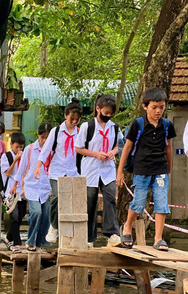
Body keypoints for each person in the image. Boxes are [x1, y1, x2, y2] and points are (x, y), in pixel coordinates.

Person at [117, 88, 176, 251]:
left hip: (161, 170)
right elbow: (127, 147)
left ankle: (158, 238)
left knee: (162, 203)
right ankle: (127, 226)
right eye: (154, 107)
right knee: (138, 201)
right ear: (145, 106)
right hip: (141, 169)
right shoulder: (138, 124)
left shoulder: (167, 125)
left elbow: (169, 148)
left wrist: (169, 168)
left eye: (161, 107)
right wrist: (120, 171)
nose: (158, 111)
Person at [76, 94, 123, 247]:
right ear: (98, 109)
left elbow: (119, 145)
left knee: (110, 197)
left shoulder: (114, 128)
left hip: (107, 169)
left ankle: (112, 233)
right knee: (90, 202)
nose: (108, 116)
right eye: (106, 112)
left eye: (111, 114)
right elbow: (78, 148)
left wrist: (113, 152)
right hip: (90, 168)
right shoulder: (87, 127)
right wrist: (95, 154)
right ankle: (89, 237)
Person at [34, 98, 82, 244]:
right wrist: (38, 165)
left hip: (73, 171)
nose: (74, 122)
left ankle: (71, 234)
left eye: (77, 119)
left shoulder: (80, 133)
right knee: (56, 197)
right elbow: (46, 149)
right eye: (72, 118)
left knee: (72, 203)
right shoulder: (56, 132)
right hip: (57, 171)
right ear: (65, 115)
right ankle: (53, 227)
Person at [11, 123, 52, 251]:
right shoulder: (29, 149)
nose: (44, 140)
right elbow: (21, 169)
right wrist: (14, 185)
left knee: (46, 215)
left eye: (47, 137)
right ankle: (30, 241)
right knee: (36, 212)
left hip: (46, 188)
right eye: (42, 137)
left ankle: (39, 243)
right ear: (38, 135)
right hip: (32, 186)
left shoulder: (52, 150)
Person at [1, 132, 26, 253]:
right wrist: (15, 160)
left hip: (22, 191)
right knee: (14, 216)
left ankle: (8, 237)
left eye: (21, 147)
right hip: (10, 192)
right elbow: (7, 173)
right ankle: (16, 243)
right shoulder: (6, 156)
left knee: (20, 216)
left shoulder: (25, 156)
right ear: (11, 145)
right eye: (17, 147)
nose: (19, 150)